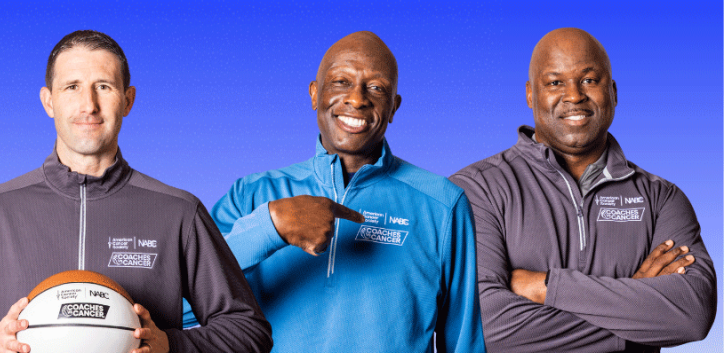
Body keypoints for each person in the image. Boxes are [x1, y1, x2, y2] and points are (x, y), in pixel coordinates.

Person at [0, 30, 271, 353]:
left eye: (103, 87)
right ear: (48, 101)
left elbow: (248, 330)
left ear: (128, 100)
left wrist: (173, 345)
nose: (88, 105)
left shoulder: (179, 212)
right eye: (72, 87)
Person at [180, 31, 485, 352]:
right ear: (315, 94)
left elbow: (464, 341)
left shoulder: (443, 204)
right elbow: (181, 308)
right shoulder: (250, 195)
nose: (357, 99)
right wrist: (270, 228)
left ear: (394, 107)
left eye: (377, 88)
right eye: (341, 82)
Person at [450, 28, 716, 352]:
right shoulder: (475, 190)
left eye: (589, 80)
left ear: (614, 92)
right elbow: (482, 330)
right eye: (555, 82)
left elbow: (692, 314)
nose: (574, 96)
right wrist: (636, 309)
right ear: (531, 94)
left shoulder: (662, 199)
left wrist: (546, 287)